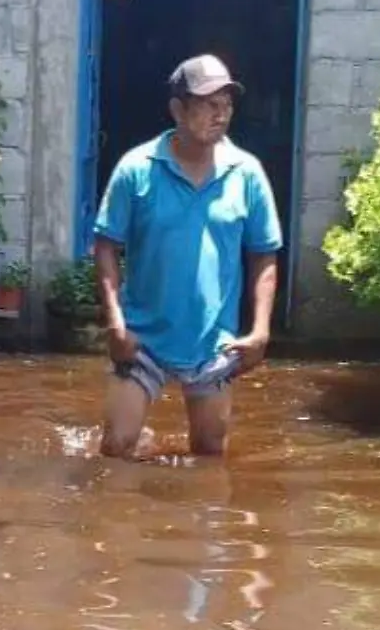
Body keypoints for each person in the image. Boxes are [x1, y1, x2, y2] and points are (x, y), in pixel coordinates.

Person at [91, 53, 283, 458]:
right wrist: (116, 324)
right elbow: (107, 245)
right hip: (143, 341)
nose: (221, 114)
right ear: (177, 108)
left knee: (211, 452)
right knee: (116, 447)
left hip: (212, 345)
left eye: (227, 104)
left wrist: (261, 329)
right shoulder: (137, 169)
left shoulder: (246, 173)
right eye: (209, 104)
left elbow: (264, 254)